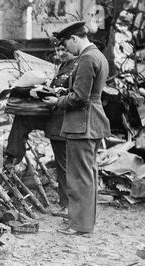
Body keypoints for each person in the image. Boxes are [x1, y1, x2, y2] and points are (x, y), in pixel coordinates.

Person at [43, 21, 110, 235]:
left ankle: (79, 225)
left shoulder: (87, 58)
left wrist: (56, 102)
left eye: (65, 43)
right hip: (92, 120)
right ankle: (85, 222)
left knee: (78, 176)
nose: (66, 49)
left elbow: (79, 98)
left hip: (82, 123)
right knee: (88, 174)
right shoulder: (98, 55)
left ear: (74, 38)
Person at [4, 46, 78, 213]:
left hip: (65, 120)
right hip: (54, 114)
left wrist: (55, 94)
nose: (59, 54)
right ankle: (13, 156)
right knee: (23, 118)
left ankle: (68, 206)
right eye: (58, 50)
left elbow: (77, 95)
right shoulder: (64, 66)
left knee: (64, 165)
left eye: (63, 50)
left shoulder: (79, 66)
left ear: (73, 48)